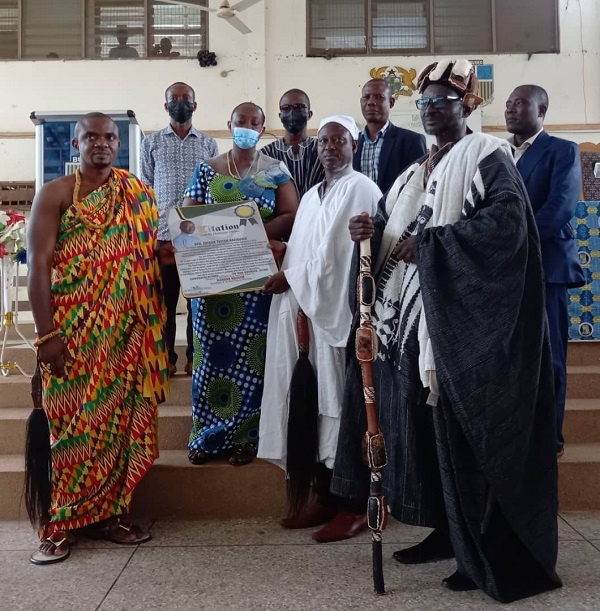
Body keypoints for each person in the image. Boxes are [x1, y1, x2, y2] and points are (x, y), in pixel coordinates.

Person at [332, 59, 562, 602]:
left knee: (465, 443)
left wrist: (437, 246)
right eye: (426, 103)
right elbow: (391, 234)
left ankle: (478, 547)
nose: (433, 110)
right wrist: (368, 229)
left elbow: (507, 224)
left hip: (464, 333)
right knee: (427, 442)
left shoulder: (486, 156)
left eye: (443, 102)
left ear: (467, 107)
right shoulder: (414, 172)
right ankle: (447, 533)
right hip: (412, 330)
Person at [26, 112, 168, 565]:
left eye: (109, 137)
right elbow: (39, 268)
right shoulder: (54, 195)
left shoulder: (138, 193)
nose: (102, 144)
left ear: (118, 144)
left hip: (126, 335)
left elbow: (147, 257)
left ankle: (115, 514)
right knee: (69, 429)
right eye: (92, 137)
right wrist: (47, 335)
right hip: (72, 335)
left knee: (119, 427)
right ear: (75, 143)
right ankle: (60, 524)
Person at [258, 116, 382, 542]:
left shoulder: (360, 187)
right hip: (301, 312)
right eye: (324, 141)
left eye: (340, 140)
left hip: (335, 318)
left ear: (353, 146)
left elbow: (340, 260)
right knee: (310, 405)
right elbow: (310, 248)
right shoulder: (311, 195)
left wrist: (291, 276)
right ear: (316, 149)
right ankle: (325, 495)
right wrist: (284, 251)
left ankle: (355, 504)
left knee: (341, 410)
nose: (330, 147)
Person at [176, 101, 299, 467]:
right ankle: (207, 437)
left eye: (255, 121)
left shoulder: (275, 171)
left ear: (263, 128)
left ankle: (248, 438)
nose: (247, 125)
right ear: (229, 124)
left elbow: (292, 215)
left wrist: (249, 232)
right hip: (214, 279)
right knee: (211, 357)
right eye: (241, 120)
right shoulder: (206, 170)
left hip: (257, 280)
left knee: (253, 359)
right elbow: (187, 222)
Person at [505, 84, 585, 456]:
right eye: (508, 104)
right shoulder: (501, 155)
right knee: (516, 357)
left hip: (545, 268)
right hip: (507, 274)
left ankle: (550, 437)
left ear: (542, 110)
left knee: (550, 356)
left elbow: (560, 207)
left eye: (520, 103)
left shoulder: (563, 150)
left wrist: (516, 246)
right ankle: (521, 431)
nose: (510, 109)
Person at [141, 82, 218, 377]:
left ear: (195, 106)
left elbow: (213, 189)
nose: (180, 103)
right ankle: (167, 358)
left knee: (198, 304)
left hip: (198, 237)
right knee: (164, 304)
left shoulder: (208, 144)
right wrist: (151, 233)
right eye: (175, 99)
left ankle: (195, 358)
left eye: (186, 99)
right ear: (166, 106)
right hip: (162, 238)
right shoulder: (152, 143)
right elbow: (146, 189)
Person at [353, 78, 426, 194]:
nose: (371, 102)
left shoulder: (411, 141)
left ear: (391, 102)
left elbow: (416, 188)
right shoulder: (351, 142)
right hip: (358, 211)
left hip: (394, 211)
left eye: (379, 97)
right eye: (366, 97)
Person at [261, 89, 325, 198]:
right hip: (280, 214)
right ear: (280, 115)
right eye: (286, 108)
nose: (292, 112)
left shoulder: (323, 150)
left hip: (318, 213)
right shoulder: (266, 154)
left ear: (309, 114)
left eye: (299, 107)